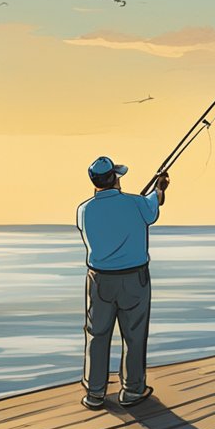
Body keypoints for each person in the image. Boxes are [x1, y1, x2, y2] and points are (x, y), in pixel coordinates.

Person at [75, 156, 169, 410]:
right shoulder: (137, 204)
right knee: (134, 335)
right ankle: (132, 390)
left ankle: (95, 393)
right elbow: (154, 204)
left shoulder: (83, 210)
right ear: (115, 179)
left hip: (98, 280)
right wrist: (159, 188)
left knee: (97, 335)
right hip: (134, 279)